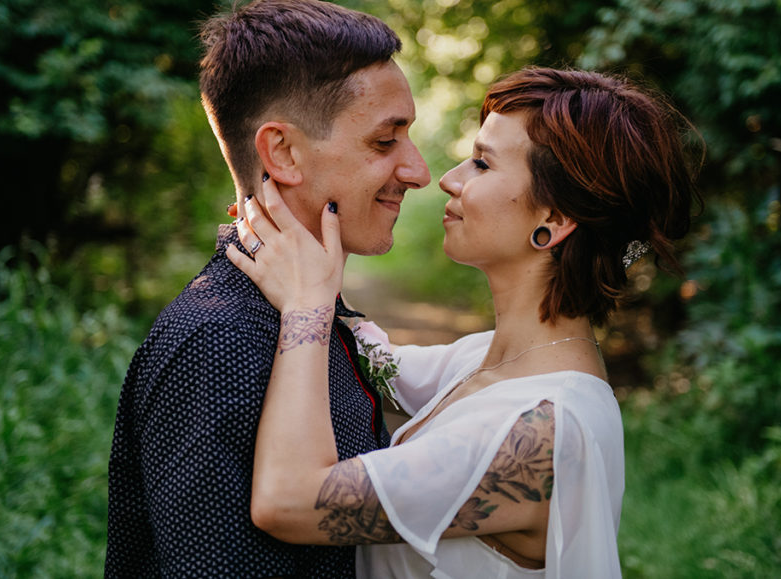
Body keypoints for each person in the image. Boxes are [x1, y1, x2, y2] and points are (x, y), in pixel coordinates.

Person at [229, 67, 701, 578]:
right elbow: (365, 354)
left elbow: (289, 501)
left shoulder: (543, 431)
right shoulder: (482, 359)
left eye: (481, 163)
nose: (449, 178)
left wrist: (307, 307)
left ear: (555, 220)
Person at [105, 0, 431, 577]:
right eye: (385, 141)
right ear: (282, 152)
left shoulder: (305, 313)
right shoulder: (220, 342)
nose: (418, 170)